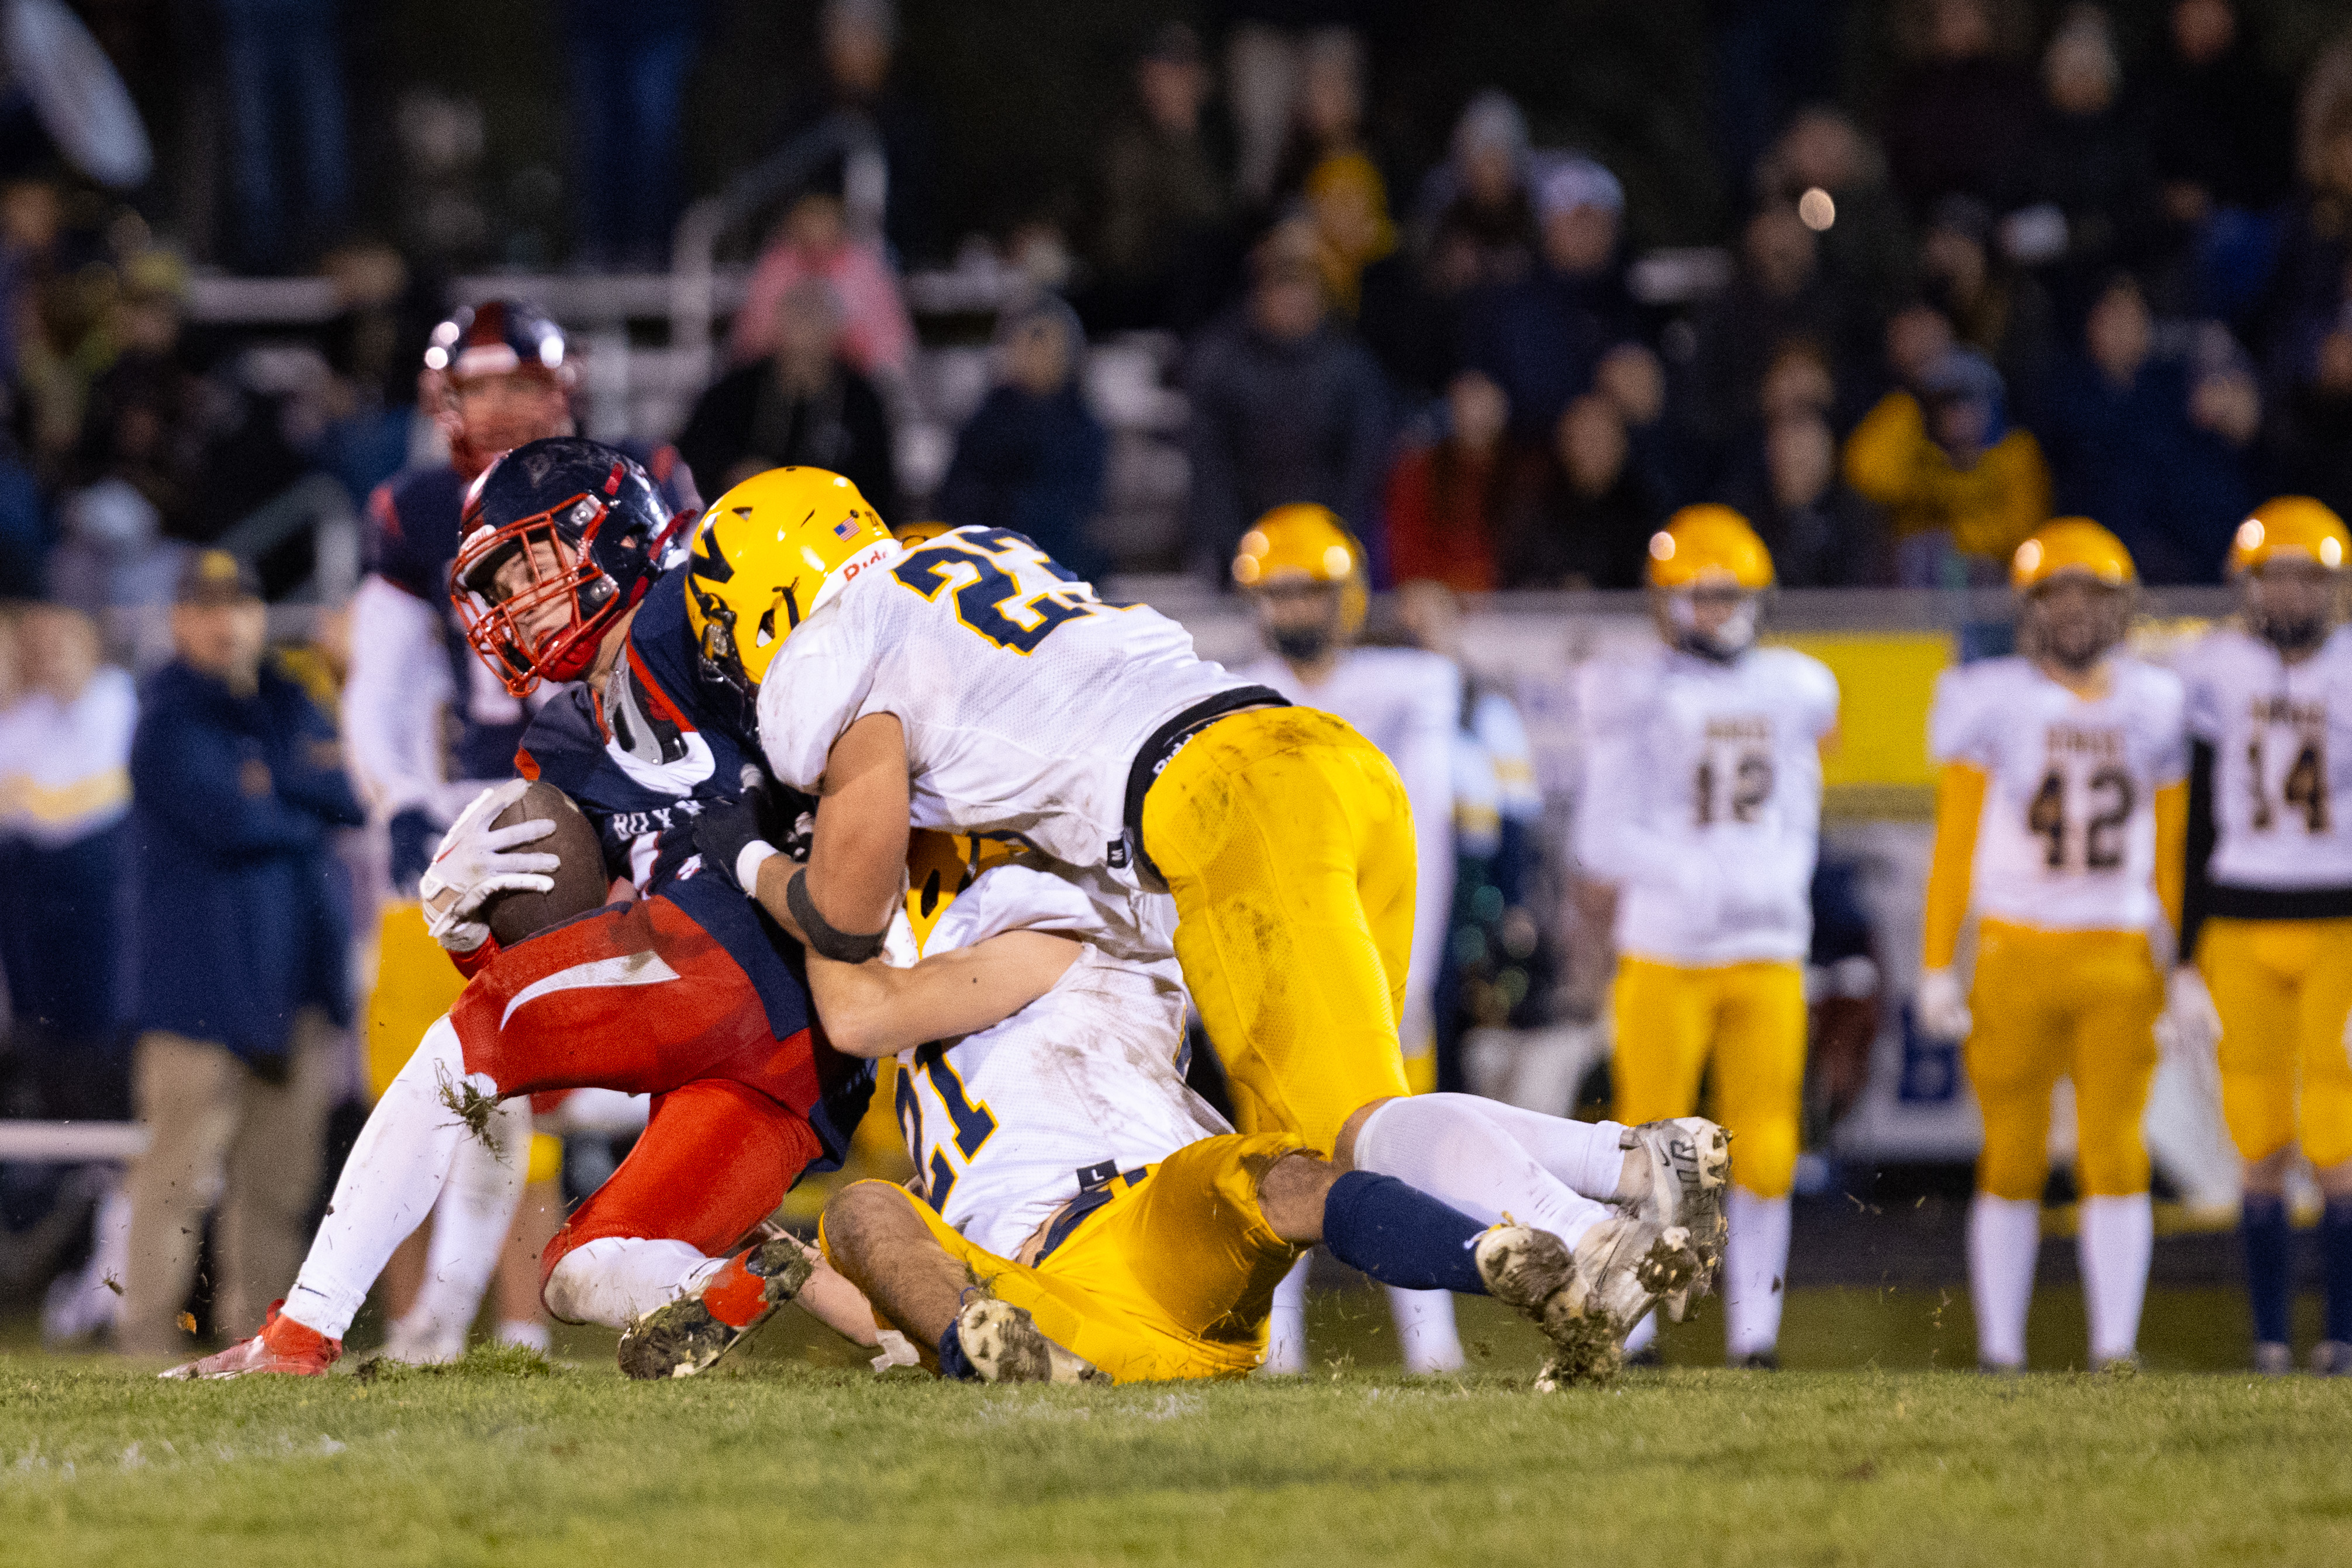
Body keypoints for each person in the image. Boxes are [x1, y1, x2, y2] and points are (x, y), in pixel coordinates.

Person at [632, 465, 1729, 1383]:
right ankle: (1627, 1166)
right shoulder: (977, 571)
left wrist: (743, 845)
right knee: (1357, 1122)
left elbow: (847, 918)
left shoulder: (855, 656)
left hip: (1215, 802)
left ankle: (1595, 1228)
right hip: (1312, 766)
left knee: (1345, 1131)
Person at [802, 847, 1686, 1389]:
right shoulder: (936, 1072)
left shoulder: (1056, 950)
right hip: (1033, 1306)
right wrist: (786, 1271)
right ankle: (991, 1360)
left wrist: (800, 887)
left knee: (1275, 1177)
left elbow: (859, 1012)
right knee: (864, 1210)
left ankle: (1515, 1267)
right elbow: (889, 1303)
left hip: (1146, 1229)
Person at [344, 302, 695, 1361]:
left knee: (557, 1073)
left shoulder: (637, 482)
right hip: (477, 798)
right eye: (478, 387)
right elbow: (381, 683)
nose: (497, 407)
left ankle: (525, 1315)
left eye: (519, 385)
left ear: (562, 389)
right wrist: (399, 797)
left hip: (616, 796)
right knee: (433, 1074)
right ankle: (429, 1320)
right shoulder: (416, 509)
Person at [1914, 519, 2191, 1372]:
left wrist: (2185, 963)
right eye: (2057, 596)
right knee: (2010, 1151)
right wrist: (1937, 961)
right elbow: (1955, 841)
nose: (2073, 613)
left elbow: (2175, 849)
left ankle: (2114, 1348)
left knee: (2116, 1149)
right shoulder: (1989, 696)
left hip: (2117, 949)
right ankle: (2000, 1349)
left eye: (2090, 596)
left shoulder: (2158, 700)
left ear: (2121, 607)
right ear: (2029, 607)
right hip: (2016, 949)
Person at [1574, 506, 1839, 1369]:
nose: (1714, 613)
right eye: (1697, 596)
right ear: (1665, 602)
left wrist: (1769, 883)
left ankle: (1755, 1338)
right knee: (1652, 1152)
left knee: (1768, 1149)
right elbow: (1598, 841)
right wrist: (1690, 873)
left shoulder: (1794, 687)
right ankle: (1637, 1329)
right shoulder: (1636, 692)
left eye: (1727, 596)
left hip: (1766, 945)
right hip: (1667, 947)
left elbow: (1801, 813)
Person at [1228, 505, 1466, 1373]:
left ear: (1350, 595)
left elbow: (1430, 835)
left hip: (1376, 951)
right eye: (1278, 593)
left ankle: (1432, 1345)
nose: (1293, 610)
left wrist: (1414, 971)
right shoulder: (1231, 692)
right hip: (1277, 957)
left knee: (1405, 1152)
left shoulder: (1411, 686)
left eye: (1309, 592)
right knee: (1274, 1158)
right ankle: (1274, 1345)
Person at [118, 550, 365, 1358]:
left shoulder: (288, 698)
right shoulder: (164, 715)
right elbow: (235, 819)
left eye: (241, 605)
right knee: (177, 1175)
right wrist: (297, 790)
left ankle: (257, 1340)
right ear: (179, 620)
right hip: (196, 983)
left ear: (260, 616)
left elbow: (349, 792)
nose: (226, 622)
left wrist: (276, 782)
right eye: (207, 607)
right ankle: (144, 1337)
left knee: (279, 1181)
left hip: (292, 978)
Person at [2172, 497, 2352, 1374]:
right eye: (2272, 577)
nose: (2286, 594)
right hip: (2239, 918)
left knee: (2338, 1135)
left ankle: (2342, 1336)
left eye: (2302, 578)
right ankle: (2271, 1340)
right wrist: (2182, 951)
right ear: (2246, 585)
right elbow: (2194, 815)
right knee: (2257, 1135)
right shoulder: (2212, 667)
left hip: (2338, 917)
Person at [1184, 233, 1389, 579]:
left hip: (1328, 548)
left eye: (1302, 286)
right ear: (1258, 294)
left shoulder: (1351, 368)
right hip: (1241, 550)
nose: (1291, 299)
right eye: (1280, 285)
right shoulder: (1220, 365)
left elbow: (1362, 466)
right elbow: (1210, 469)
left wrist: (1333, 541)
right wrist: (1235, 550)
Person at [0, 605, 134, 1119]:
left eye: (63, 646)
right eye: (42, 650)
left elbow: (82, 800)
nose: (52, 660)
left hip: (103, 878)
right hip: (42, 889)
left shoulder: (116, 699)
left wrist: (29, 798)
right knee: (44, 1018)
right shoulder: (31, 714)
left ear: (90, 648)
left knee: (102, 1019)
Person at [679, 278, 897, 510]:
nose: (806, 332)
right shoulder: (734, 392)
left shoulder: (862, 402)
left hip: (833, 525)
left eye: (816, 320)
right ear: (779, 324)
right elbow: (691, 460)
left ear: (836, 331)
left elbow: (880, 489)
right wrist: (732, 474)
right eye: (799, 318)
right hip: (746, 521)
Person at [932, 295, 1106, 583]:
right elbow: (957, 497)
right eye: (1027, 343)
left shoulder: (1083, 425)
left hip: (1063, 571)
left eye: (1046, 344)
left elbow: (1081, 509)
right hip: (990, 569)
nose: (1036, 354)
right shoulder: (987, 419)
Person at [1844, 344, 2051, 586]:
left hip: (1990, 589)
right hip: (1914, 590)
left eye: (1972, 399)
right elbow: (1867, 475)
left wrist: (1956, 536)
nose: (1961, 413)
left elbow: (2024, 534)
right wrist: (1908, 404)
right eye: (1949, 402)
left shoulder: (2014, 454)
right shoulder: (1918, 454)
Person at [1084, 22, 1231, 335]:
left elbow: (1210, 214)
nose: (1159, 85)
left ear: (1198, 79)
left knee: (1199, 247)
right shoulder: (1124, 129)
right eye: (1151, 73)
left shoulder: (1221, 132)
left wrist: (1180, 135)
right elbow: (1110, 205)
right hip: (1119, 277)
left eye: (1172, 74)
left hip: (1180, 286)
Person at [729, 189, 915, 384]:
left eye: (824, 220)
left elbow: (890, 347)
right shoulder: (777, 266)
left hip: (853, 379)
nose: (817, 230)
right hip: (783, 378)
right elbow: (750, 342)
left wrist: (841, 342)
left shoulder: (864, 268)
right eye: (810, 221)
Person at [1383, 370, 1509, 592]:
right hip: (1435, 598)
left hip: (1509, 602)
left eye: (1482, 398)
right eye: (1467, 398)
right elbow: (1408, 554)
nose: (1475, 413)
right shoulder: (1418, 471)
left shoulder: (1522, 476)